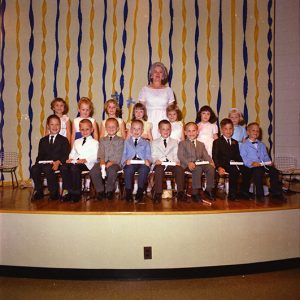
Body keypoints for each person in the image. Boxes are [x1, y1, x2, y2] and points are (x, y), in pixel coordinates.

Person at [240, 122, 285, 201]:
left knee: (274, 171)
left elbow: (265, 156)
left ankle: (276, 193)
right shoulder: (244, 145)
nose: (256, 132)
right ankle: (260, 194)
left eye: (257, 131)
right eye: (253, 130)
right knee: (258, 172)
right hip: (252, 166)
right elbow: (244, 157)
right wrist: (252, 163)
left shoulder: (262, 145)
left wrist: (269, 162)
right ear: (248, 132)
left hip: (262, 165)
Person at [31, 114, 70, 200]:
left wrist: (58, 161)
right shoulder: (43, 140)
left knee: (48, 168)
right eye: (52, 124)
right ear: (48, 126)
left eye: (57, 124)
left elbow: (65, 154)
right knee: (34, 168)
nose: (55, 127)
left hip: (57, 162)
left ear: (60, 126)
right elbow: (40, 155)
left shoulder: (63, 140)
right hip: (44, 163)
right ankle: (39, 191)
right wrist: (37, 164)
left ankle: (54, 192)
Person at [212, 118, 252, 201]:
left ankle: (243, 192)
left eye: (230, 128)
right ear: (222, 130)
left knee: (247, 170)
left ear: (233, 129)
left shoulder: (235, 142)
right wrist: (218, 167)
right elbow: (215, 156)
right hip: (223, 164)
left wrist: (241, 164)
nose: (228, 131)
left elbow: (237, 155)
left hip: (234, 163)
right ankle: (232, 195)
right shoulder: (217, 142)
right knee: (234, 171)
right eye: (226, 129)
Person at [61, 119, 99, 202]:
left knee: (74, 169)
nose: (84, 132)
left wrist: (86, 159)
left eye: (87, 129)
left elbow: (96, 155)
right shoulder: (77, 141)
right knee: (64, 167)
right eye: (82, 129)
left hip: (88, 164)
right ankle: (67, 192)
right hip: (76, 162)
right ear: (79, 130)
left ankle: (76, 193)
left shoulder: (95, 142)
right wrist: (70, 158)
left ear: (92, 129)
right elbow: (72, 153)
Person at [178, 122, 215, 202]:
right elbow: (180, 156)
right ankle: (195, 192)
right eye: (189, 131)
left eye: (194, 131)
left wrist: (210, 161)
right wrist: (188, 162)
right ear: (185, 132)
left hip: (200, 163)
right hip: (188, 165)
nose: (191, 133)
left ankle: (208, 190)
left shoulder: (201, 144)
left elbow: (206, 155)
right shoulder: (182, 143)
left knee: (210, 168)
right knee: (197, 169)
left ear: (197, 132)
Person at [90, 118, 124, 200]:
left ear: (117, 128)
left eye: (113, 127)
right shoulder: (102, 140)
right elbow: (101, 151)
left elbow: (120, 153)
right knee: (94, 171)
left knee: (111, 171)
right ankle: (100, 191)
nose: (111, 129)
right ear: (105, 128)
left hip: (115, 163)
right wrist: (102, 161)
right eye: (109, 127)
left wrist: (112, 162)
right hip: (103, 161)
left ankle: (109, 191)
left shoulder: (121, 140)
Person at [138, 62, 175, 139]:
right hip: (149, 120)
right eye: (155, 71)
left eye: (160, 72)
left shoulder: (168, 90)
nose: (158, 74)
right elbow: (141, 109)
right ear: (151, 75)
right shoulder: (144, 89)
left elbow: (172, 110)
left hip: (164, 119)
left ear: (163, 76)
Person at [151, 120, 185, 203]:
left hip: (171, 163)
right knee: (159, 169)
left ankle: (180, 192)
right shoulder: (154, 142)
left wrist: (177, 161)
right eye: (163, 129)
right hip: (160, 163)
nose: (166, 131)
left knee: (179, 169)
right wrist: (156, 160)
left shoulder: (174, 142)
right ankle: (158, 193)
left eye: (168, 129)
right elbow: (153, 155)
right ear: (159, 130)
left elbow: (175, 155)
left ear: (170, 130)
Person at [121, 120, 152, 203]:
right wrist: (125, 161)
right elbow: (123, 154)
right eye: (134, 129)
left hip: (142, 162)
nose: (136, 131)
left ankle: (140, 191)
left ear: (142, 131)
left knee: (144, 170)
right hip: (130, 162)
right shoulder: (126, 142)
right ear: (130, 130)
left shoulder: (146, 143)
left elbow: (148, 154)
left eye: (139, 129)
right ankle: (128, 192)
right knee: (128, 170)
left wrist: (148, 161)